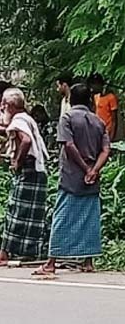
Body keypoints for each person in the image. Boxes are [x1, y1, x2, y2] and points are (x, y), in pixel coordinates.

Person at [35, 84, 111, 275]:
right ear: (88, 101)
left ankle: (51, 262)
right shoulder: (98, 122)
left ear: (71, 100)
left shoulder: (67, 118)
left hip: (71, 176)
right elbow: (106, 150)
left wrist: (85, 168)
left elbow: (68, 145)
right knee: (90, 219)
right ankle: (88, 261)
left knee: (61, 217)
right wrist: (94, 170)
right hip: (92, 179)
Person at [0, 88, 49, 265]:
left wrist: (17, 161)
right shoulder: (25, 118)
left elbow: (26, 140)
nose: (1, 108)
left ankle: (4, 253)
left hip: (28, 169)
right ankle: (29, 253)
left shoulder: (19, 119)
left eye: (3, 105)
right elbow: (10, 130)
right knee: (32, 215)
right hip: (37, 172)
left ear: (9, 105)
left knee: (15, 211)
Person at [89, 73, 118, 140]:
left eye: (94, 85)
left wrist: (111, 137)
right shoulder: (96, 96)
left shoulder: (111, 97)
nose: (92, 88)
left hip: (107, 132)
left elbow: (114, 120)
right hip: (97, 131)